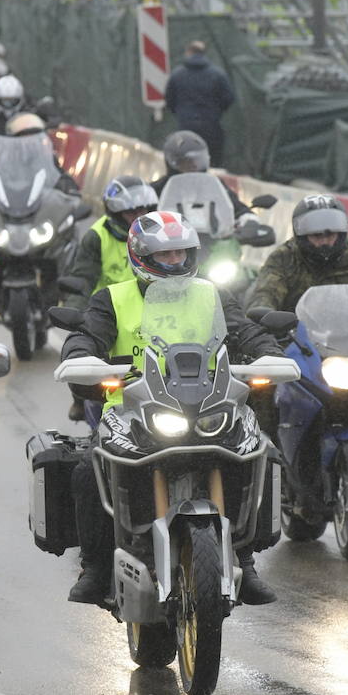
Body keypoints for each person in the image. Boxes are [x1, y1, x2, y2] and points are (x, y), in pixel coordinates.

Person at [61, 210, 282, 606]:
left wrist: (267, 354)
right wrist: (82, 357)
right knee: (84, 471)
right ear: (141, 256)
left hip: (210, 401)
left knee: (259, 454)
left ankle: (244, 559)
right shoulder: (112, 298)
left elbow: (245, 330)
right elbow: (87, 336)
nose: (176, 263)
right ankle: (94, 566)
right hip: (133, 408)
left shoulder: (210, 293)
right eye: (165, 256)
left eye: (182, 254)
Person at [245, 194, 348, 490]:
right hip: (297, 343)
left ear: (341, 233)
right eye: (317, 236)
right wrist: (266, 314)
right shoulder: (284, 258)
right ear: (302, 235)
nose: (325, 242)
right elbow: (266, 291)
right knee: (262, 391)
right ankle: (269, 457)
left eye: (331, 235)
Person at [60, 176, 159, 419]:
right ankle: (82, 404)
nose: (140, 215)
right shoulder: (96, 236)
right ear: (116, 212)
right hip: (106, 315)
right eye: (132, 211)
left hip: (153, 307)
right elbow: (83, 277)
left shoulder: (161, 235)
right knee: (86, 358)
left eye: (144, 209)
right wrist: (75, 313)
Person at [163, 41, 236, 168]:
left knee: (185, 160)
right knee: (212, 161)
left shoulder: (177, 75)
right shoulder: (218, 75)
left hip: (186, 124)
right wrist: (216, 112)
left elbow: (169, 99)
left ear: (188, 53)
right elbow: (228, 98)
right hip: (211, 125)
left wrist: (181, 113)